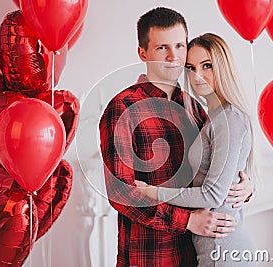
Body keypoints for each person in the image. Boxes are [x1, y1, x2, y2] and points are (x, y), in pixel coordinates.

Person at [99, 7, 253, 267]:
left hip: (195, 254)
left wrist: (245, 188)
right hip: (149, 256)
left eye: (180, 46)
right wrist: (188, 221)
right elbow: (121, 193)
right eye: (162, 48)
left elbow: (214, 174)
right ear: (143, 53)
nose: (173, 57)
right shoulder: (123, 108)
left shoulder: (194, 108)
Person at [136, 33, 257, 266]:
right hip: (210, 248)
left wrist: (153, 192)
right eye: (191, 67)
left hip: (222, 250)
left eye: (207, 66)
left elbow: (213, 194)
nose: (197, 76)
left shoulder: (229, 119)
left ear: (223, 67)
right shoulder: (209, 117)